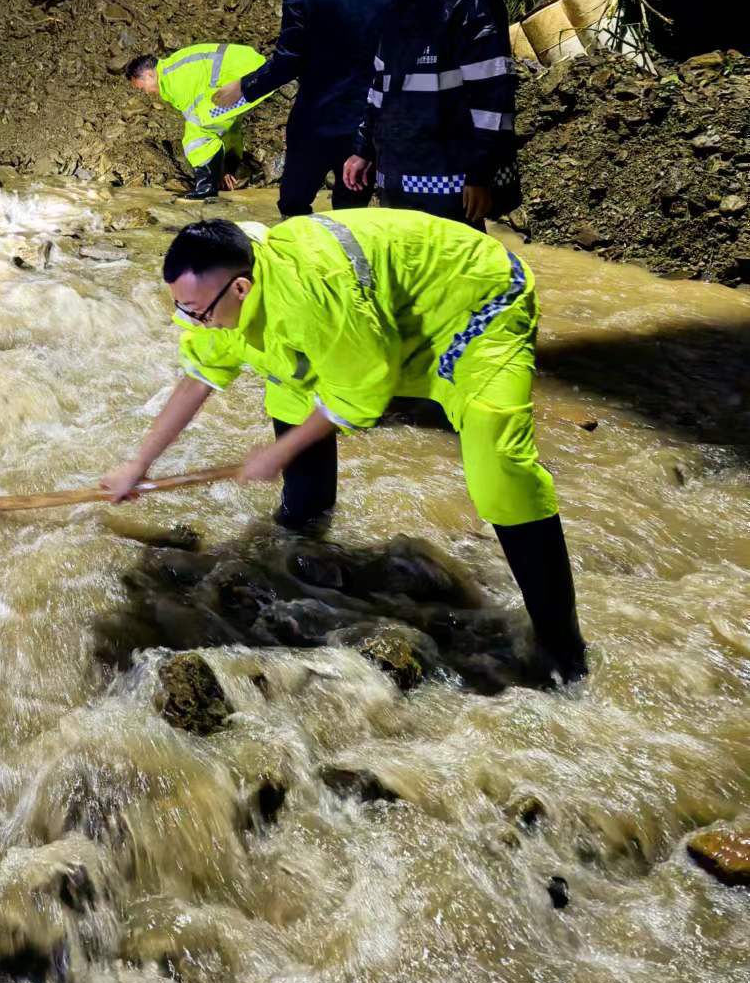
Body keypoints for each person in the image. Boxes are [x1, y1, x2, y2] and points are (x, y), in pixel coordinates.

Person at [101, 213, 586, 683]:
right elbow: (198, 377)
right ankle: (303, 560)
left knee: (499, 468)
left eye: (197, 312)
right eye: (180, 310)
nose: (191, 322)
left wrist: (280, 451)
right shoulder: (221, 300)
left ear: (241, 288)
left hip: (474, 305)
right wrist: (137, 464)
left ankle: (561, 647)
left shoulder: (316, 296)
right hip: (377, 319)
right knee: (290, 395)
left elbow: (360, 396)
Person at [343, 0, 520, 229]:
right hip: (397, 184)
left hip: (449, 189)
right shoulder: (395, 7)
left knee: (453, 275)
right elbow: (380, 87)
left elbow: (492, 97)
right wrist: (363, 149)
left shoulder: (467, 1)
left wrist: (480, 174)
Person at [211, 0, 386, 217]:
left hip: (315, 123)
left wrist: (243, 88)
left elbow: (288, 60)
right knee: (354, 216)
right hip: (365, 126)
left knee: (293, 206)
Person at [125, 43, 272, 201]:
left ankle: (206, 187)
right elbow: (222, 128)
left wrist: (216, 173)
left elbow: (202, 124)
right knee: (224, 123)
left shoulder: (174, 79)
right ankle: (232, 168)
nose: (146, 93)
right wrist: (223, 169)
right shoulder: (172, 71)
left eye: (142, 88)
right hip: (256, 71)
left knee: (196, 132)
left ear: (149, 75)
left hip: (247, 76)